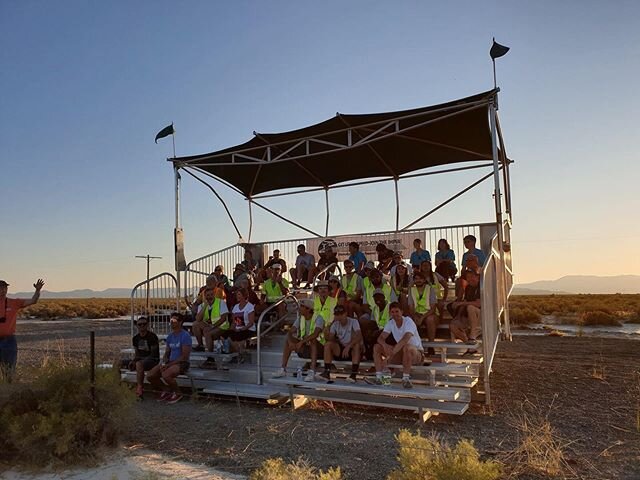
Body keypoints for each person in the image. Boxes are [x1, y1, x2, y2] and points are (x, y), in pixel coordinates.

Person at [369, 302, 425, 389]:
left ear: (402, 312)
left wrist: (388, 358)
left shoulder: (408, 321)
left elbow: (405, 340)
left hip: (416, 353)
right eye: (392, 312)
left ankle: (406, 379)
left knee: (407, 347)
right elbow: (380, 338)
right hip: (401, 352)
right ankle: (379, 377)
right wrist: (385, 345)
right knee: (377, 347)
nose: (395, 314)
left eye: (397, 311)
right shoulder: (391, 323)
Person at [0, 279, 44, 379]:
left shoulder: (14, 302)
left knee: (9, 370)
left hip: (8, 341)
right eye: (0, 288)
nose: (3, 290)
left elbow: (33, 301)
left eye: (4, 288)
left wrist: (37, 291)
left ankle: (9, 390)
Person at [272, 298, 325, 381]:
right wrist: (291, 342)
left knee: (313, 340)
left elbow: (315, 334)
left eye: (302, 307)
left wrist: (301, 342)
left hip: (321, 349)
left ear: (308, 309)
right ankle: (283, 369)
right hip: (306, 347)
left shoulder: (319, 318)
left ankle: (312, 371)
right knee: (288, 341)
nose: (299, 308)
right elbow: (290, 331)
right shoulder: (300, 318)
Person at [147, 312, 191, 404]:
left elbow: (184, 356)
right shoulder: (170, 336)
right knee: (150, 375)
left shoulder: (185, 336)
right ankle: (166, 390)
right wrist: (164, 362)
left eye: (174, 320)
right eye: (170, 320)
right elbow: (167, 352)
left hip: (181, 363)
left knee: (166, 375)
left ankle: (178, 393)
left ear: (180, 322)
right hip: (170, 362)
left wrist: (169, 365)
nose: (171, 322)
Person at [320, 305, 362, 383]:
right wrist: (327, 329)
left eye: (341, 314)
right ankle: (327, 371)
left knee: (356, 345)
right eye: (337, 315)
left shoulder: (353, 322)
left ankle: (353, 374)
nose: (340, 317)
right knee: (328, 344)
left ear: (345, 314)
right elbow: (331, 339)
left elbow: (359, 336)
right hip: (341, 349)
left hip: (351, 349)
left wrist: (349, 346)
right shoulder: (335, 324)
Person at [192, 287, 229, 368]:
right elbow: (198, 319)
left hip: (221, 327)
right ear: (205, 296)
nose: (210, 296)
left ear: (214, 295)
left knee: (207, 332)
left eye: (211, 294)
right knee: (195, 324)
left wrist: (212, 326)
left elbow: (223, 318)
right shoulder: (202, 305)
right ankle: (200, 345)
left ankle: (210, 358)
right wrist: (205, 306)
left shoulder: (221, 302)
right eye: (208, 295)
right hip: (210, 326)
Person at [129, 316, 160, 399]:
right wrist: (133, 361)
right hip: (140, 359)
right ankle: (117, 385)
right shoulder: (135, 338)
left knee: (139, 364)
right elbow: (137, 354)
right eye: (140, 324)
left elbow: (154, 354)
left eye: (144, 324)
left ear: (147, 325)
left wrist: (138, 361)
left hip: (152, 360)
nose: (142, 326)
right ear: (137, 326)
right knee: (119, 362)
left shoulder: (152, 337)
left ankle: (139, 388)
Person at [449, 270, 482, 347]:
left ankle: (472, 335)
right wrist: (458, 316)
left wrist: (460, 303)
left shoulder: (481, 286)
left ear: (477, 277)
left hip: (481, 316)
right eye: (468, 277)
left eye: (472, 276)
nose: (470, 279)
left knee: (471, 308)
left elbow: (478, 304)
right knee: (452, 326)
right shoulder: (468, 288)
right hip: (469, 317)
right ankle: (470, 344)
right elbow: (465, 302)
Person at [358, 288, 390, 359]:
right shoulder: (375, 308)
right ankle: (366, 353)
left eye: (379, 297)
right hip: (379, 329)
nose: (377, 299)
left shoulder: (390, 306)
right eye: (375, 297)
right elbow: (373, 322)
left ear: (384, 297)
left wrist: (376, 332)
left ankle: (369, 355)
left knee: (375, 335)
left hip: (389, 331)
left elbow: (393, 323)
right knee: (366, 332)